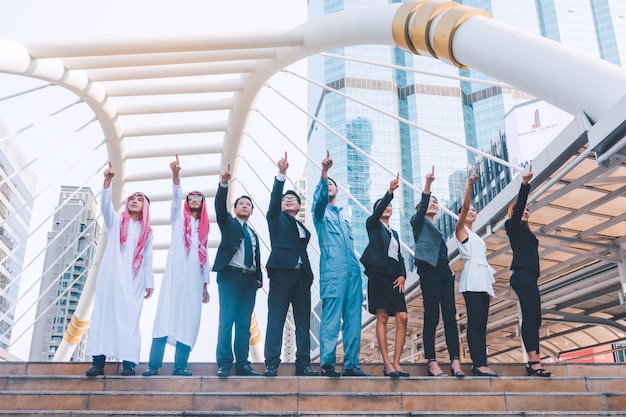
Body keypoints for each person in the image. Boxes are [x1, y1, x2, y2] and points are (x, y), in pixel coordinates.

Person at [142, 155, 210, 377]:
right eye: (191, 197)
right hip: (175, 277)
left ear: (203, 204)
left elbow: (205, 258)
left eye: (198, 198)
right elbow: (175, 197)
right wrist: (176, 176)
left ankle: (180, 366)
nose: (194, 200)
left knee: (188, 320)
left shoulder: (203, 230)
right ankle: (153, 366)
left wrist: (205, 286)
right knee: (165, 317)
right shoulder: (178, 220)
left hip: (194, 282)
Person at [86, 162, 154, 377]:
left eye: (139, 200)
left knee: (130, 320)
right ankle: (98, 362)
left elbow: (148, 260)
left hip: (133, 282)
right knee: (103, 316)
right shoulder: (116, 220)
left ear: (145, 208)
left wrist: (149, 282)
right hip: (111, 277)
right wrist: (107, 182)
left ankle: (129, 364)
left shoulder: (148, 233)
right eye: (132, 199)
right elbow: (106, 205)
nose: (134, 202)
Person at [312, 151, 370, 377]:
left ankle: (351, 364)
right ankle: (327, 363)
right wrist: (324, 173)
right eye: (326, 185)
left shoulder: (344, 217)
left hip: (352, 272)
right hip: (333, 272)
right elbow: (318, 202)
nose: (330, 187)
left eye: (333, 184)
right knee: (331, 318)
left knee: (354, 318)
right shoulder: (320, 215)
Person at [263, 152, 318, 377]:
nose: (287, 200)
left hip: (301, 277)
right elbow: (275, 199)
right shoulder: (276, 218)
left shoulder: (302, 228)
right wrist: (281, 175)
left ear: (299, 206)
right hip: (281, 274)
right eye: (285, 199)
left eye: (292, 199)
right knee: (276, 317)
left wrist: (308, 276)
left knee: (303, 322)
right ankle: (272, 363)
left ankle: (303, 364)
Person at [411, 166, 464, 378]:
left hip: (444, 273)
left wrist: (449, 268)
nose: (433, 203)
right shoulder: (418, 224)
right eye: (430, 201)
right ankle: (432, 362)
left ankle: (455, 361)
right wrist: (428, 185)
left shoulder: (439, 233)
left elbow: (441, 253)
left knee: (451, 317)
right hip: (428, 272)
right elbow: (423, 204)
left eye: (436, 202)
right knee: (432, 317)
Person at [213, 163, 263, 377]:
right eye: (241, 204)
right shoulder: (228, 223)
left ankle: (243, 363)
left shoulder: (253, 234)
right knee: (227, 320)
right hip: (230, 276)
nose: (245, 206)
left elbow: (257, 259)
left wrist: (258, 279)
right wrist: (223, 184)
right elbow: (218, 208)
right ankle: (225, 362)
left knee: (244, 323)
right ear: (235, 209)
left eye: (248, 205)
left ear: (252, 211)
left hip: (249, 280)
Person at [360, 173, 409, 378]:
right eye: (382, 206)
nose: (386, 208)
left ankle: (397, 362)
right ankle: (387, 364)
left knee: (402, 317)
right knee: (382, 316)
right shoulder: (372, 224)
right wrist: (389, 193)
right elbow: (379, 209)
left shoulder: (394, 233)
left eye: (389, 205)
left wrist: (403, 275)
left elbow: (400, 257)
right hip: (378, 275)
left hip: (394, 277)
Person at [505, 165, 551, 377]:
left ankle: (535, 357)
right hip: (520, 274)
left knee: (536, 317)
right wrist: (524, 186)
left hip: (530, 276)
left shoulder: (528, 234)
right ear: (514, 213)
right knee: (530, 315)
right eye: (521, 209)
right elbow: (519, 205)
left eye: (527, 210)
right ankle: (534, 360)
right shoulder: (512, 227)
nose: (525, 211)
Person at [455, 169, 498, 377]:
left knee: (482, 323)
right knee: (475, 321)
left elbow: (485, 263)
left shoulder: (476, 236)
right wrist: (470, 185)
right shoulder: (461, 231)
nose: (471, 211)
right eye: (468, 210)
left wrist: (490, 287)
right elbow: (464, 207)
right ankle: (478, 363)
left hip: (483, 281)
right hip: (472, 280)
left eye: (474, 210)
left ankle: (482, 362)